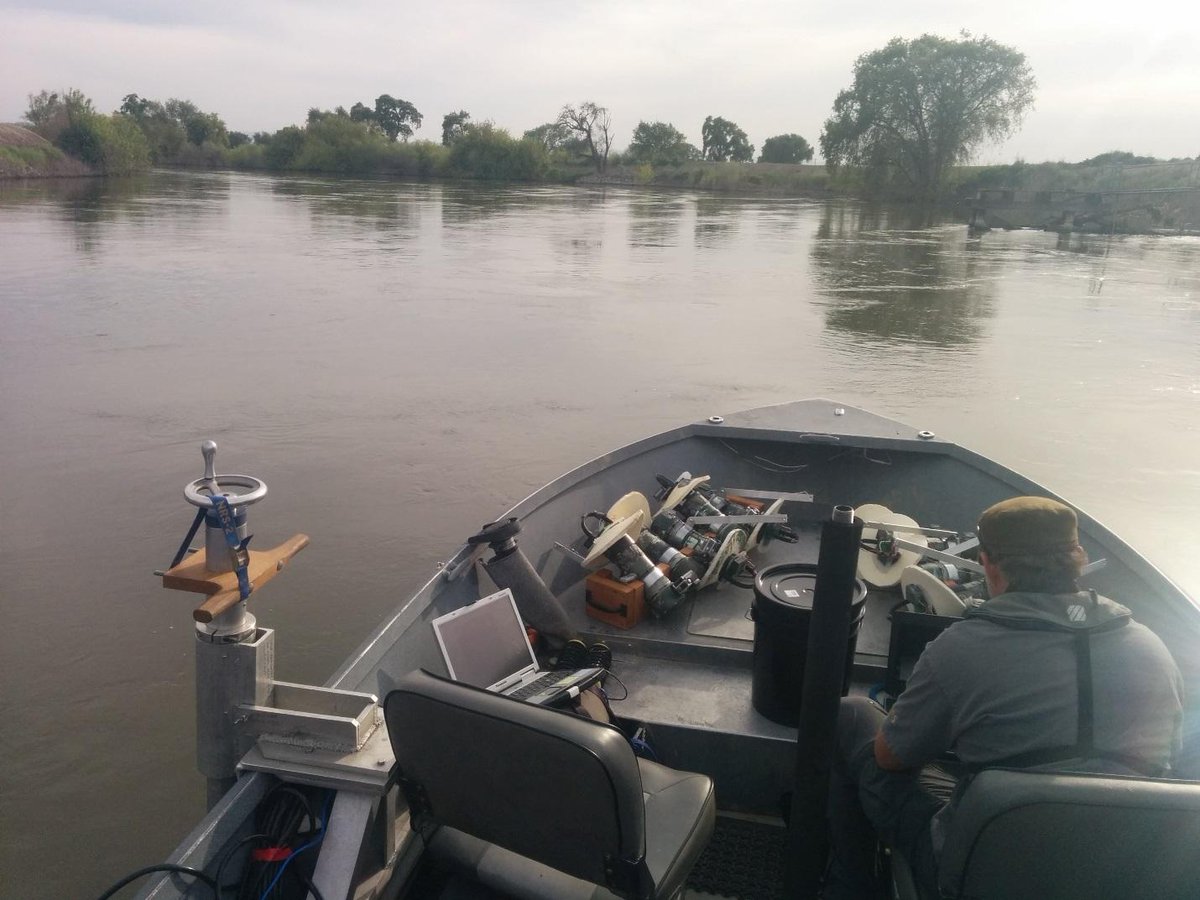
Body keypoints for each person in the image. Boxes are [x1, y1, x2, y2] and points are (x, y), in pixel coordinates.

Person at [824, 496, 1184, 900]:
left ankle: (850, 888)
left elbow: (890, 757)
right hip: (1118, 873)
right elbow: (1166, 759)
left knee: (850, 717)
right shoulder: (1151, 648)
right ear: (1078, 557)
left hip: (977, 869)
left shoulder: (962, 648)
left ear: (989, 564)